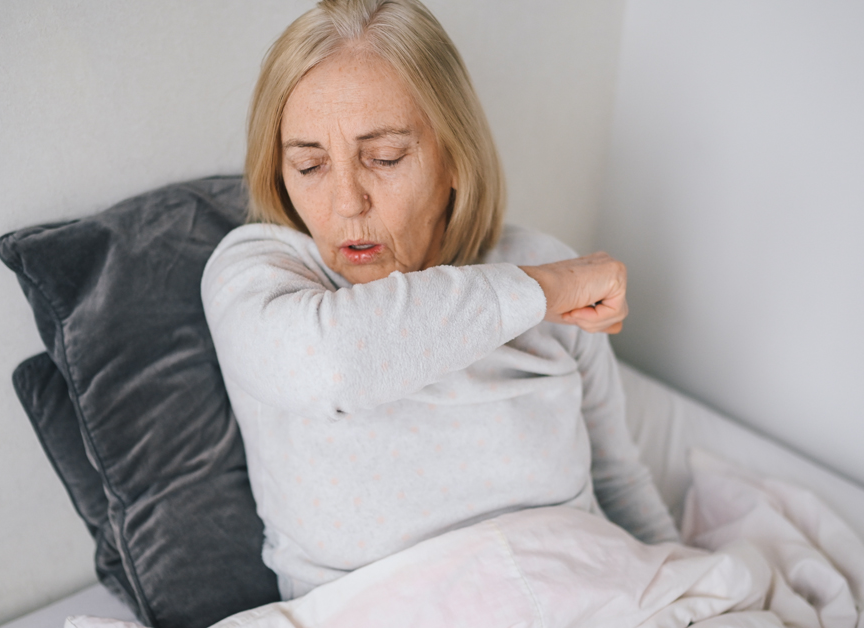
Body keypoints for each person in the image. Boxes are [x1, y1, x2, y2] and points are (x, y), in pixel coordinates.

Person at [201, 0, 678, 600]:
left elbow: (618, 476)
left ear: (454, 157)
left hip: (589, 595)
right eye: (310, 164)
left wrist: (688, 588)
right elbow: (332, 364)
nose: (347, 202)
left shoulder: (535, 258)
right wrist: (544, 289)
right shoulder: (258, 274)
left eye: (384, 158)